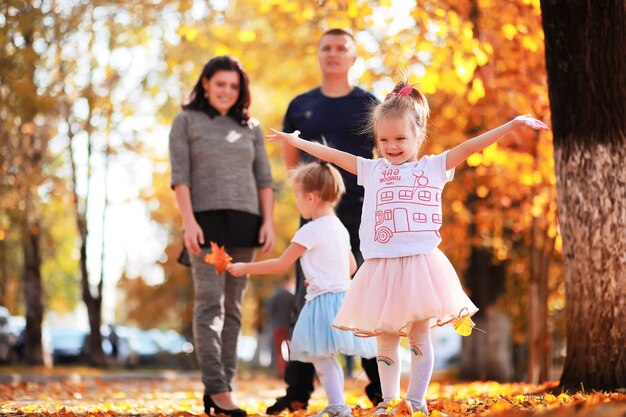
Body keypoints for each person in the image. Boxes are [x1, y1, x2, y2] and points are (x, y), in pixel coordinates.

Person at [267, 82, 550, 415]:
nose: (392, 146)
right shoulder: (372, 170)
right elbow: (332, 155)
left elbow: (472, 146)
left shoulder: (432, 168)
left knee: (418, 335)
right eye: (384, 140)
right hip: (382, 268)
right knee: (385, 337)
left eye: (400, 138)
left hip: (420, 266)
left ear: (418, 135)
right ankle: (388, 400)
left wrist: (512, 125)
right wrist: (297, 142)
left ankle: (415, 401)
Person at [267, 27, 383, 415]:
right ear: (319, 55)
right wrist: (306, 198)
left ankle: (381, 390)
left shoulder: (369, 102)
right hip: (315, 216)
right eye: (327, 48)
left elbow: (384, 152)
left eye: (341, 48)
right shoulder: (301, 104)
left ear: (352, 57)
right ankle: (297, 393)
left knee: (364, 297)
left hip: (361, 213)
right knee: (307, 299)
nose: (333, 54)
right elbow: (289, 157)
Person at [169, 55, 275, 417]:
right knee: (209, 306)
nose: (227, 92)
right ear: (205, 84)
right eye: (220, 85)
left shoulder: (252, 127)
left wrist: (269, 222)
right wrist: (189, 221)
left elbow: (264, 179)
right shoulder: (186, 121)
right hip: (207, 227)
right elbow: (180, 176)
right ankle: (215, 387)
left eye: (233, 86)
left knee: (234, 311)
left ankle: (224, 388)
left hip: (246, 225)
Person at [228, 162, 376, 417]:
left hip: (322, 303)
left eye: (297, 196)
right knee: (327, 356)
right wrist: (322, 275)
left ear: (310, 196)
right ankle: (337, 405)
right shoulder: (339, 227)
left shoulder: (309, 230)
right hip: (344, 299)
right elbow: (350, 266)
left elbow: (280, 264)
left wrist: (244, 268)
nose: (297, 202)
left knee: (322, 357)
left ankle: (338, 406)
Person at [268, 276, 295, 377]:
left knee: (279, 350)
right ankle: (290, 370)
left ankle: (281, 371)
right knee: (290, 349)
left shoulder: (276, 296)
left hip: (278, 326)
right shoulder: (292, 296)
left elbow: (271, 310)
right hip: (289, 326)